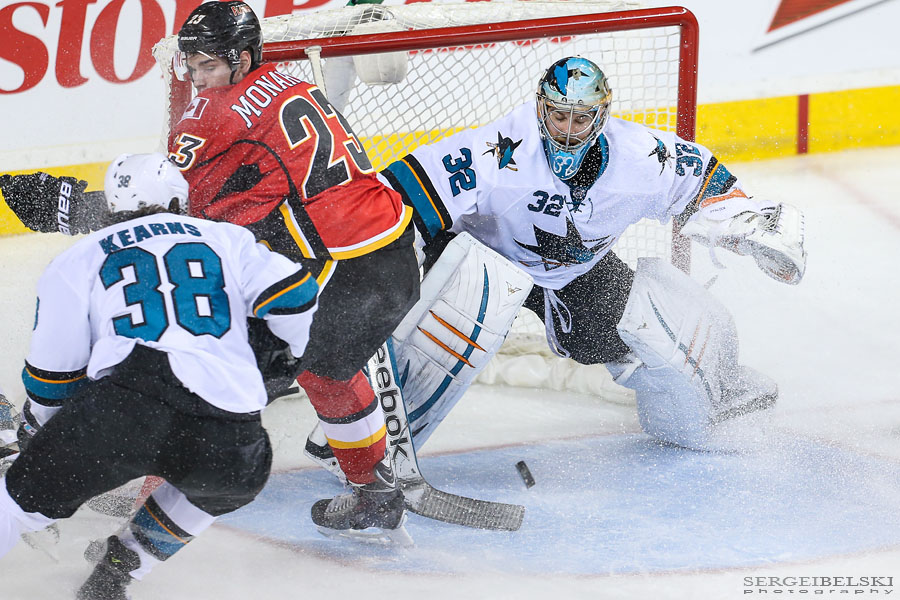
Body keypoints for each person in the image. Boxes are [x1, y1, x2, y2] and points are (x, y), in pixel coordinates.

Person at [0, 1, 418, 536]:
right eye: (192, 66)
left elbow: (162, 210)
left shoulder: (213, 115)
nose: (198, 79)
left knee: (194, 366)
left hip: (337, 262)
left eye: (210, 66)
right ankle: (373, 491)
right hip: (390, 258)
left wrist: (70, 206)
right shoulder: (288, 83)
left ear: (243, 59)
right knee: (325, 369)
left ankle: (143, 503)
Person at [376, 56, 807, 454]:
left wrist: (746, 225)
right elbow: (394, 197)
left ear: (602, 115)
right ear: (541, 109)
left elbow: (708, 183)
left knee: (614, 336)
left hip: (573, 270)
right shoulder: (497, 152)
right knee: (444, 325)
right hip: (480, 259)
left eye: (581, 118)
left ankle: (722, 385)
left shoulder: (640, 157)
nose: (567, 130)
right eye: (559, 115)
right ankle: (376, 422)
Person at [0, 153, 323, 599]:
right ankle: (121, 570)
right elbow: (297, 295)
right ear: (179, 199)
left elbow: (54, 375)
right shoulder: (226, 237)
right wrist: (285, 359)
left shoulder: (79, 257)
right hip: (230, 434)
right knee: (219, 489)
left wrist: (40, 436)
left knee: (15, 505)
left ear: (112, 207)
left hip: (125, 411)